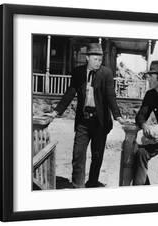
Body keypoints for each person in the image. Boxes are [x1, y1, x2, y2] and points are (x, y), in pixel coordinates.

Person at [47, 43, 124, 188]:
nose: (98, 62)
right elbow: (70, 93)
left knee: (97, 155)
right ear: (87, 58)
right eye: (95, 59)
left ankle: (92, 182)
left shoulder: (106, 73)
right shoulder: (78, 72)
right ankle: (78, 186)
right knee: (78, 154)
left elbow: (110, 96)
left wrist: (117, 115)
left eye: (100, 59)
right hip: (83, 120)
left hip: (100, 122)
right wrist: (56, 111)